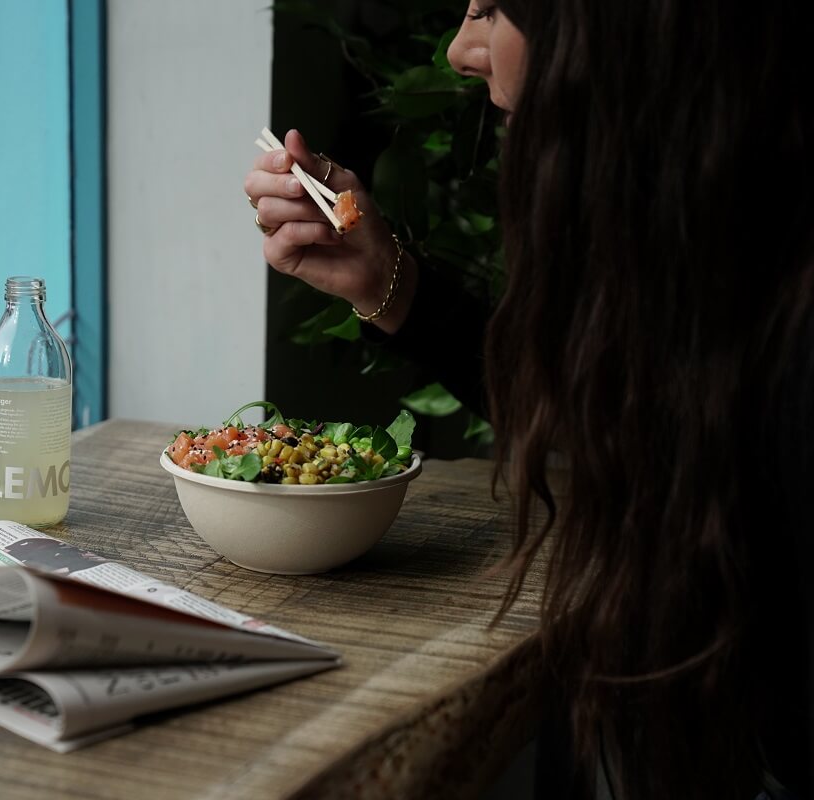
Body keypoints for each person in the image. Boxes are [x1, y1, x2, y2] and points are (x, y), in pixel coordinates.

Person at [245, 1, 813, 798]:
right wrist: (385, 284)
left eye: (492, 10)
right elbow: (609, 413)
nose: (457, 50)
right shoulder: (711, 265)